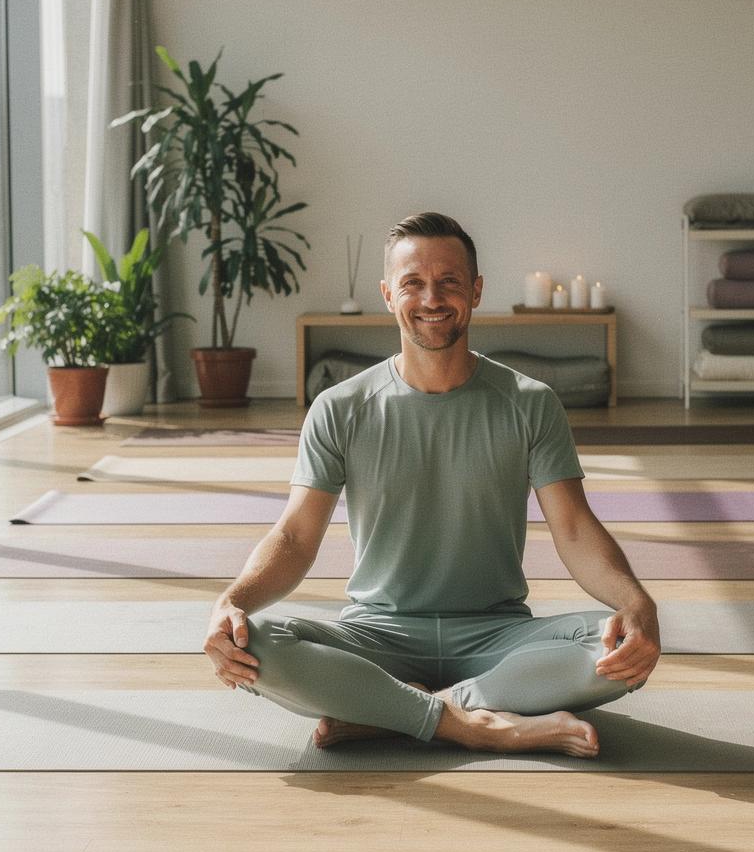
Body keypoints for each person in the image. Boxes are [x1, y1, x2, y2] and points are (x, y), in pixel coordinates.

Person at [203, 212, 660, 758]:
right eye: (413, 283)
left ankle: (387, 711)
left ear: (476, 289)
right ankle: (469, 722)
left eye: (449, 281)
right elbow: (296, 538)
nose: (431, 298)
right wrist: (230, 603)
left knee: (615, 646)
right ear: (388, 295)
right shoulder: (340, 408)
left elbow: (576, 530)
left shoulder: (529, 402)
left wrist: (637, 604)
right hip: (375, 636)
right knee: (258, 644)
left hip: (498, 636)